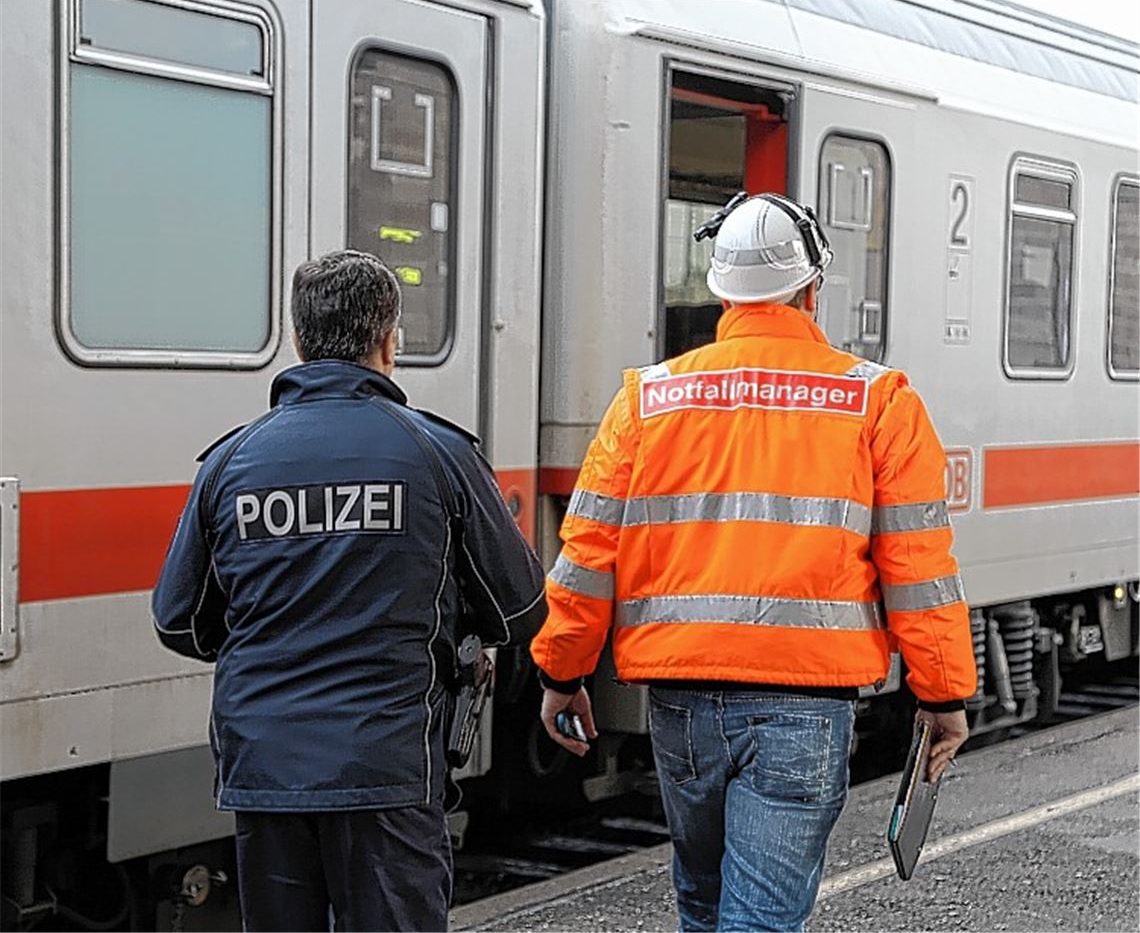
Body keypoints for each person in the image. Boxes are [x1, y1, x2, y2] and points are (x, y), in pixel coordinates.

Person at [530, 193, 976, 932]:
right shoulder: (877, 401)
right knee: (760, 920)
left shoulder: (647, 400)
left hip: (681, 701)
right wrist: (942, 693)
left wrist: (561, 671)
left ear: (721, 293)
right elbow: (917, 563)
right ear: (811, 289)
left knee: (704, 905)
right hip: (804, 703)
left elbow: (587, 554)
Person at [153, 250, 547, 932]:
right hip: (388, 768)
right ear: (389, 341)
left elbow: (178, 621)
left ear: (298, 341)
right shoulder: (438, 454)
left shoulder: (231, 462)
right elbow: (520, 609)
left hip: (266, 769)